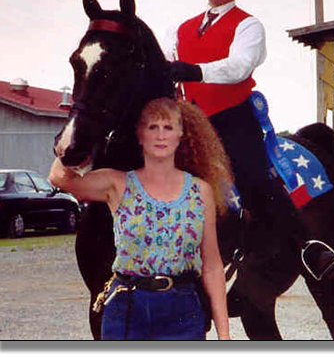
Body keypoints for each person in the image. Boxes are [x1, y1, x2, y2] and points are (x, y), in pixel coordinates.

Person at [164, 0, 334, 281]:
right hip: (188, 120)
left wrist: (195, 71)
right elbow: (166, 63)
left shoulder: (248, 25)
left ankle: (306, 245)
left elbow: (239, 66)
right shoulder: (181, 28)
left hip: (231, 118)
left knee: (254, 177)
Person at [49, 97, 231, 340]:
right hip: (126, 310)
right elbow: (59, 178)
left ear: (181, 135)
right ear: (139, 135)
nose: (160, 136)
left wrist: (224, 334)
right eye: (152, 127)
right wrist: (75, 132)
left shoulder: (201, 191)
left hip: (183, 312)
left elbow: (212, 266)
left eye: (168, 127)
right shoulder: (117, 184)